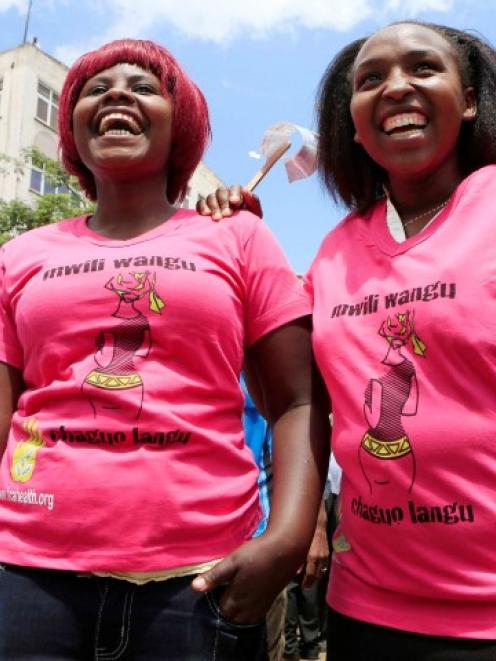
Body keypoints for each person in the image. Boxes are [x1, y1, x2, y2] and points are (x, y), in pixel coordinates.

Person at [0, 38, 330, 660]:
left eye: (143, 87)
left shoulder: (238, 237)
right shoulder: (18, 256)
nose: (118, 93)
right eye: (95, 89)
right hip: (28, 576)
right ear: (70, 125)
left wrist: (286, 539)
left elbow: (297, 399)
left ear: (179, 125)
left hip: (202, 583)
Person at [199, 20, 496, 660]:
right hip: (365, 607)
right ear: (354, 127)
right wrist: (244, 252)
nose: (396, 87)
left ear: (470, 100)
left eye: (423, 68)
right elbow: (291, 393)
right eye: (371, 80)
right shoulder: (334, 254)